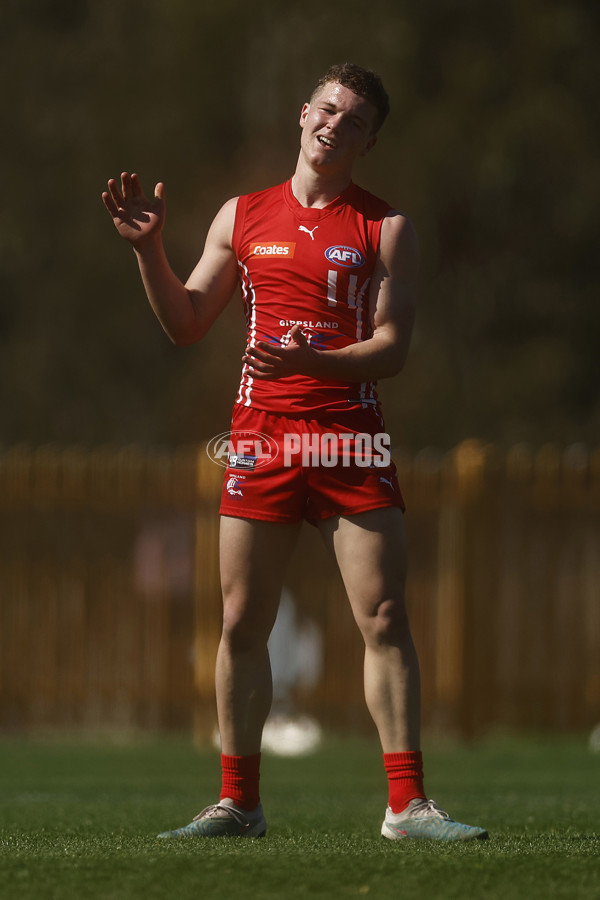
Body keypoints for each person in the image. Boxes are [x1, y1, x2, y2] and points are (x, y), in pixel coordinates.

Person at [102, 62, 488, 842]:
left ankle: (407, 807)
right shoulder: (242, 215)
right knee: (242, 619)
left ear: (368, 141)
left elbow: (392, 351)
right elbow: (185, 324)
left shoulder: (386, 228)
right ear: (301, 113)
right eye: (327, 109)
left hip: (350, 439)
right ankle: (238, 804)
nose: (333, 125)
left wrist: (314, 363)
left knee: (383, 615)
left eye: (353, 121)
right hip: (261, 440)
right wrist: (149, 252)